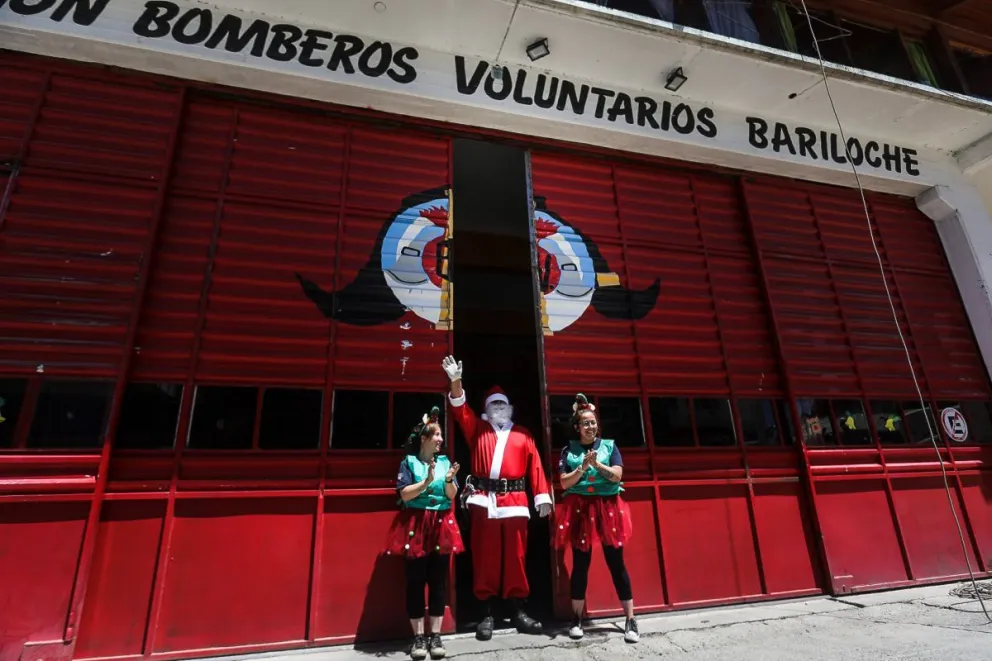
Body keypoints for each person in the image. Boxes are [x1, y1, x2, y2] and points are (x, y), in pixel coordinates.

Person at [440, 355, 552, 640]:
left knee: (516, 557)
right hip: (483, 501)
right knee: (486, 559)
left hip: (515, 503)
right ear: (486, 410)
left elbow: (536, 465)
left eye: (502, 404)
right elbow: (459, 408)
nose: (499, 408)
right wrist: (455, 381)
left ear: (510, 408)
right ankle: (486, 613)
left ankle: (517, 609)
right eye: (494, 405)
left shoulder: (523, 434)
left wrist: (542, 496)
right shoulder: (476, 429)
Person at [555, 393, 638, 643]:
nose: (590, 426)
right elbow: (563, 482)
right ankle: (577, 618)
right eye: (585, 423)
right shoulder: (569, 450)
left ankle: (631, 619)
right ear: (577, 427)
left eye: (593, 422)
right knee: (581, 563)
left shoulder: (610, 446)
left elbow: (617, 476)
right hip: (580, 509)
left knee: (616, 562)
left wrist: (597, 466)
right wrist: (582, 468)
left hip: (608, 507)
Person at [385, 406, 464, 660]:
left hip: (440, 524)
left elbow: (452, 497)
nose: (441, 439)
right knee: (416, 581)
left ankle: (436, 636)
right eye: (436, 435)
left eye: (441, 435)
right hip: (416, 525)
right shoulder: (408, 463)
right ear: (424, 438)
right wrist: (427, 482)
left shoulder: (445, 462)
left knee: (438, 582)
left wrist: (449, 480)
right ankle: (418, 638)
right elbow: (404, 495)